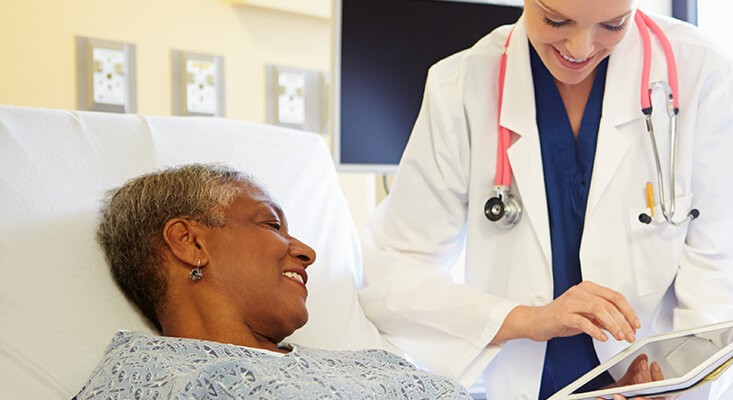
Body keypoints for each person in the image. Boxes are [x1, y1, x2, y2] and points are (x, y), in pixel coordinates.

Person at [359, 0, 733, 398]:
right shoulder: (461, 85)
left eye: (613, 24)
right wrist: (527, 319)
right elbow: (396, 269)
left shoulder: (703, 74)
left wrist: (676, 383)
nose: (580, 47)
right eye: (555, 20)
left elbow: (726, 272)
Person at [75, 164, 470, 399]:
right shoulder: (151, 379)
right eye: (270, 224)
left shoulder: (374, 365)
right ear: (190, 241)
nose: (307, 252)